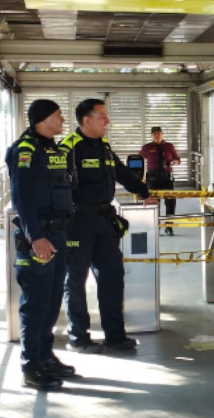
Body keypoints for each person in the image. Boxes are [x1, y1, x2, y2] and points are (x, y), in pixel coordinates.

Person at [62, 98, 158, 352]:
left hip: (104, 221)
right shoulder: (68, 148)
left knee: (112, 277)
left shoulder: (103, 146)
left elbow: (122, 172)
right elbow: (55, 186)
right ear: (86, 121)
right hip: (77, 223)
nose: (108, 121)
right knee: (75, 281)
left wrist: (142, 192)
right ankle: (78, 337)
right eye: (102, 116)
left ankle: (115, 335)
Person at [0, 99, 77, 390]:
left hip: (58, 235)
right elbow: (22, 198)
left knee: (53, 299)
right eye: (58, 116)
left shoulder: (53, 149)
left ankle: (45, 356)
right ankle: (31, 366)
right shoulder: (26, 149)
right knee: (36, 303)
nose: (63, 121)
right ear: (42, 119)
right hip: (39, 237)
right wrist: (36, 238)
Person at [139, 126, 181, 236]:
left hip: (167, 177)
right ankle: (155, 227)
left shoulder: (169, 146)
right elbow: (139, 160)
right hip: (153, 178)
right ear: (152, 136)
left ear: (162, 134)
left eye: (158, 133)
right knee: (153, 202)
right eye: (154, 134)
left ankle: (169, 227)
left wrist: (175, 162)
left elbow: (177, 159)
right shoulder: (147, 147)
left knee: (170, 202)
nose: (157, 135)